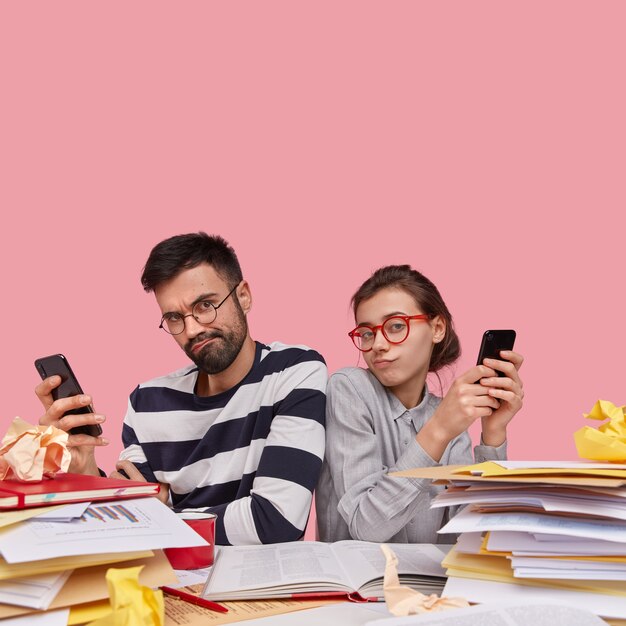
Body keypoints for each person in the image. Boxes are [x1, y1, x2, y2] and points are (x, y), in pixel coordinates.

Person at [37, 232, 327, 545]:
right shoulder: (146, 401)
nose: (192, 329)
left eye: (205, 305)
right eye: (174, 317)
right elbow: (124, 516)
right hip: (169, 586)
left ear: (244, 296)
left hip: (261, 587)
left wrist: (161, 518)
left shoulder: (293, 371)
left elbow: (276, 520)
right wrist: (84, 468)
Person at [315, 265, 524, 543]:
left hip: (427, 586)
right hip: (358, 584)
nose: (378, 344)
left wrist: (493, 435)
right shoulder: (350, 388)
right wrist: (438, 431)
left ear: (437, 328)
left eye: (396, 326)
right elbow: (366, 526)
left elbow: (478, 539)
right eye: (366, 333)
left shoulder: (448, 416)